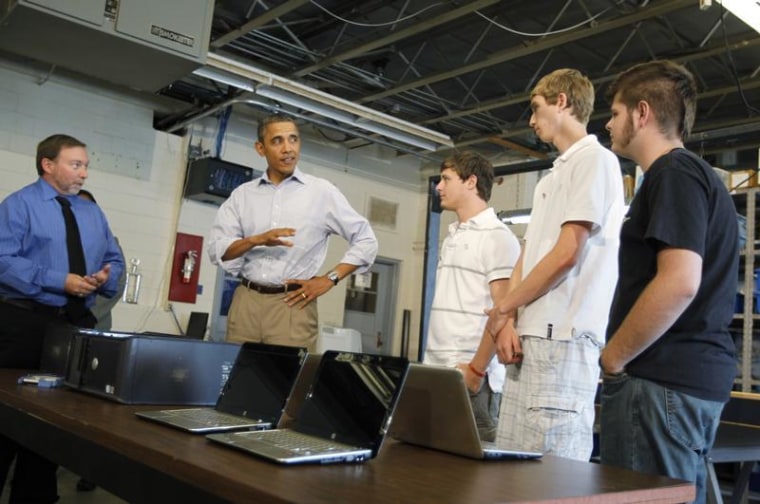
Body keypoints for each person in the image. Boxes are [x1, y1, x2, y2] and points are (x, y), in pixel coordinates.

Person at [599, 60, 738, 504]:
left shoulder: (673, 174)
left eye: (615, 113)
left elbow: (679, 282)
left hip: (658, 384)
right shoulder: (692, 177)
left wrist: (614, 357)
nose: (609, 123)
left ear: (642, 114)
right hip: (681, 383)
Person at [471, 68, 625, 461]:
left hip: (564, 342)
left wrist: (503, 308)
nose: (531, 119)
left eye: (536, 108)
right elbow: (529, 257)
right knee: (510, 476)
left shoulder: (596, 160)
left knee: (553, 480)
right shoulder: (549, 180)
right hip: (529, 340)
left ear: (562, 102)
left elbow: (567, 252)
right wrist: (508, 319)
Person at [0, 134, 124, 503]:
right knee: (6, 421)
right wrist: (60, 280)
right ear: (48, 165)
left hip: (69, 330)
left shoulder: (92, 213)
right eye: (76, 164)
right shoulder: (19, 206)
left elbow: (114, 259)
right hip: (21, 326)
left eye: (86, 165)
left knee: (49, 428)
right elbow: (3, 261)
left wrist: (105, 278)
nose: (84, 173)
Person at [207, 114, 378, 350]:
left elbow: (366, 240)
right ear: (260, 148)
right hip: (246, 300)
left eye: (293, 139)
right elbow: (219, 251)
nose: (288, 148)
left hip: (293, 304)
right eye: (277, 141)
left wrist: (330, 279)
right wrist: (256, 240)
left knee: (287, 382)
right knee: (237, 378)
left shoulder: (321, 192)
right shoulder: (243, 195)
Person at [423, 151, 520, 442]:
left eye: (446, 179)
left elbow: (504, 311)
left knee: (473, 481)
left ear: (471, 182)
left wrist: (477, 370)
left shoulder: (497, 237)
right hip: (438, 372)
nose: (438, 187)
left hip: (470, 378)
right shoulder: (454, 235)